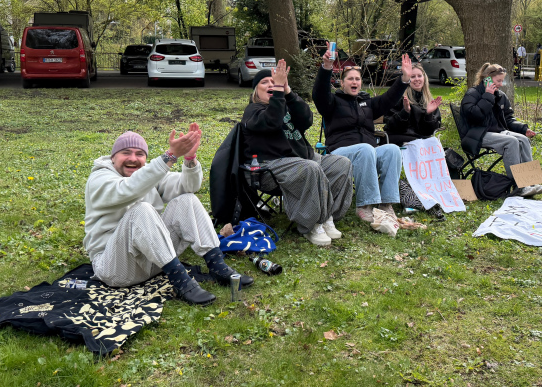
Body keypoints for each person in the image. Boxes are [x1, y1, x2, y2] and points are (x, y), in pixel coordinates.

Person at [83, 129, 253, 306]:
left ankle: (217, 266)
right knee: (141, 210)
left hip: (154, 262)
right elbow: (129, 189)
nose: (133, 158)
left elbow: (189, 186)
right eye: (126, 153)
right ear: (113, 157)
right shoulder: (99, 179)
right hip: (115, 268)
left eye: (139, 154)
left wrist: (189, 159)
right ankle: (182, 282)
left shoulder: (147, 175)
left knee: (187, 200)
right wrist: (170, 156)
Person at [240, 60, 354, 247]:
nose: (271, 85)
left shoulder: (284, 104)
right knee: (310, 167)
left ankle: (328, 217)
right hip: (270, 167)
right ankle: (311, 225)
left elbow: (306, 119)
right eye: (265, 82)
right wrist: (278, 91)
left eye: (274, 81)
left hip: (304, 158)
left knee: (342, 164)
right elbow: (272, 121)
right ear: (255, 91)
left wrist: (288, 92)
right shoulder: (253, 111)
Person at [313, 51, 413, 226]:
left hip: (367, 153)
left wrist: (404, 79)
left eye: (357, 79)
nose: (354, 82)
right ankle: (365, 204)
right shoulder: (332, 102)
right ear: (342, 83)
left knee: (392, 150)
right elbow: (319, 94)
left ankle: (386, 203)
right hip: (340, 153)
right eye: (350, 79)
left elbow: (388, 99)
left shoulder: (367, 103)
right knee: (366, 150)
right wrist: (326, 67)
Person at [460, 63, 542, 197]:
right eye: (498, 80)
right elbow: (474, 116)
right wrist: (488, 96)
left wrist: (523, 129)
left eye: (502, 81)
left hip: (498, 132)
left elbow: (508, 118)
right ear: (487, 79)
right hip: (476, 134)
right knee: (511, 142)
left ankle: (532, 183)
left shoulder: (500, 96)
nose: (501, 84)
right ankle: (520, 187)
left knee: (523, 139)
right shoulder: (473, 93)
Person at [383, 63, 443, 146]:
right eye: (413, 76)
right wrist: (405, 112)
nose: (417, 79)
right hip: (399, 138)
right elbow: (391, 126)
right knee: (421, 143)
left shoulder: (429, 101)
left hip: (420, 140)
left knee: (431, 143)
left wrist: (428, 114)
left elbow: (429, 132)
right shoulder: (398, 98)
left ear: (424, 78)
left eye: (419, 76)